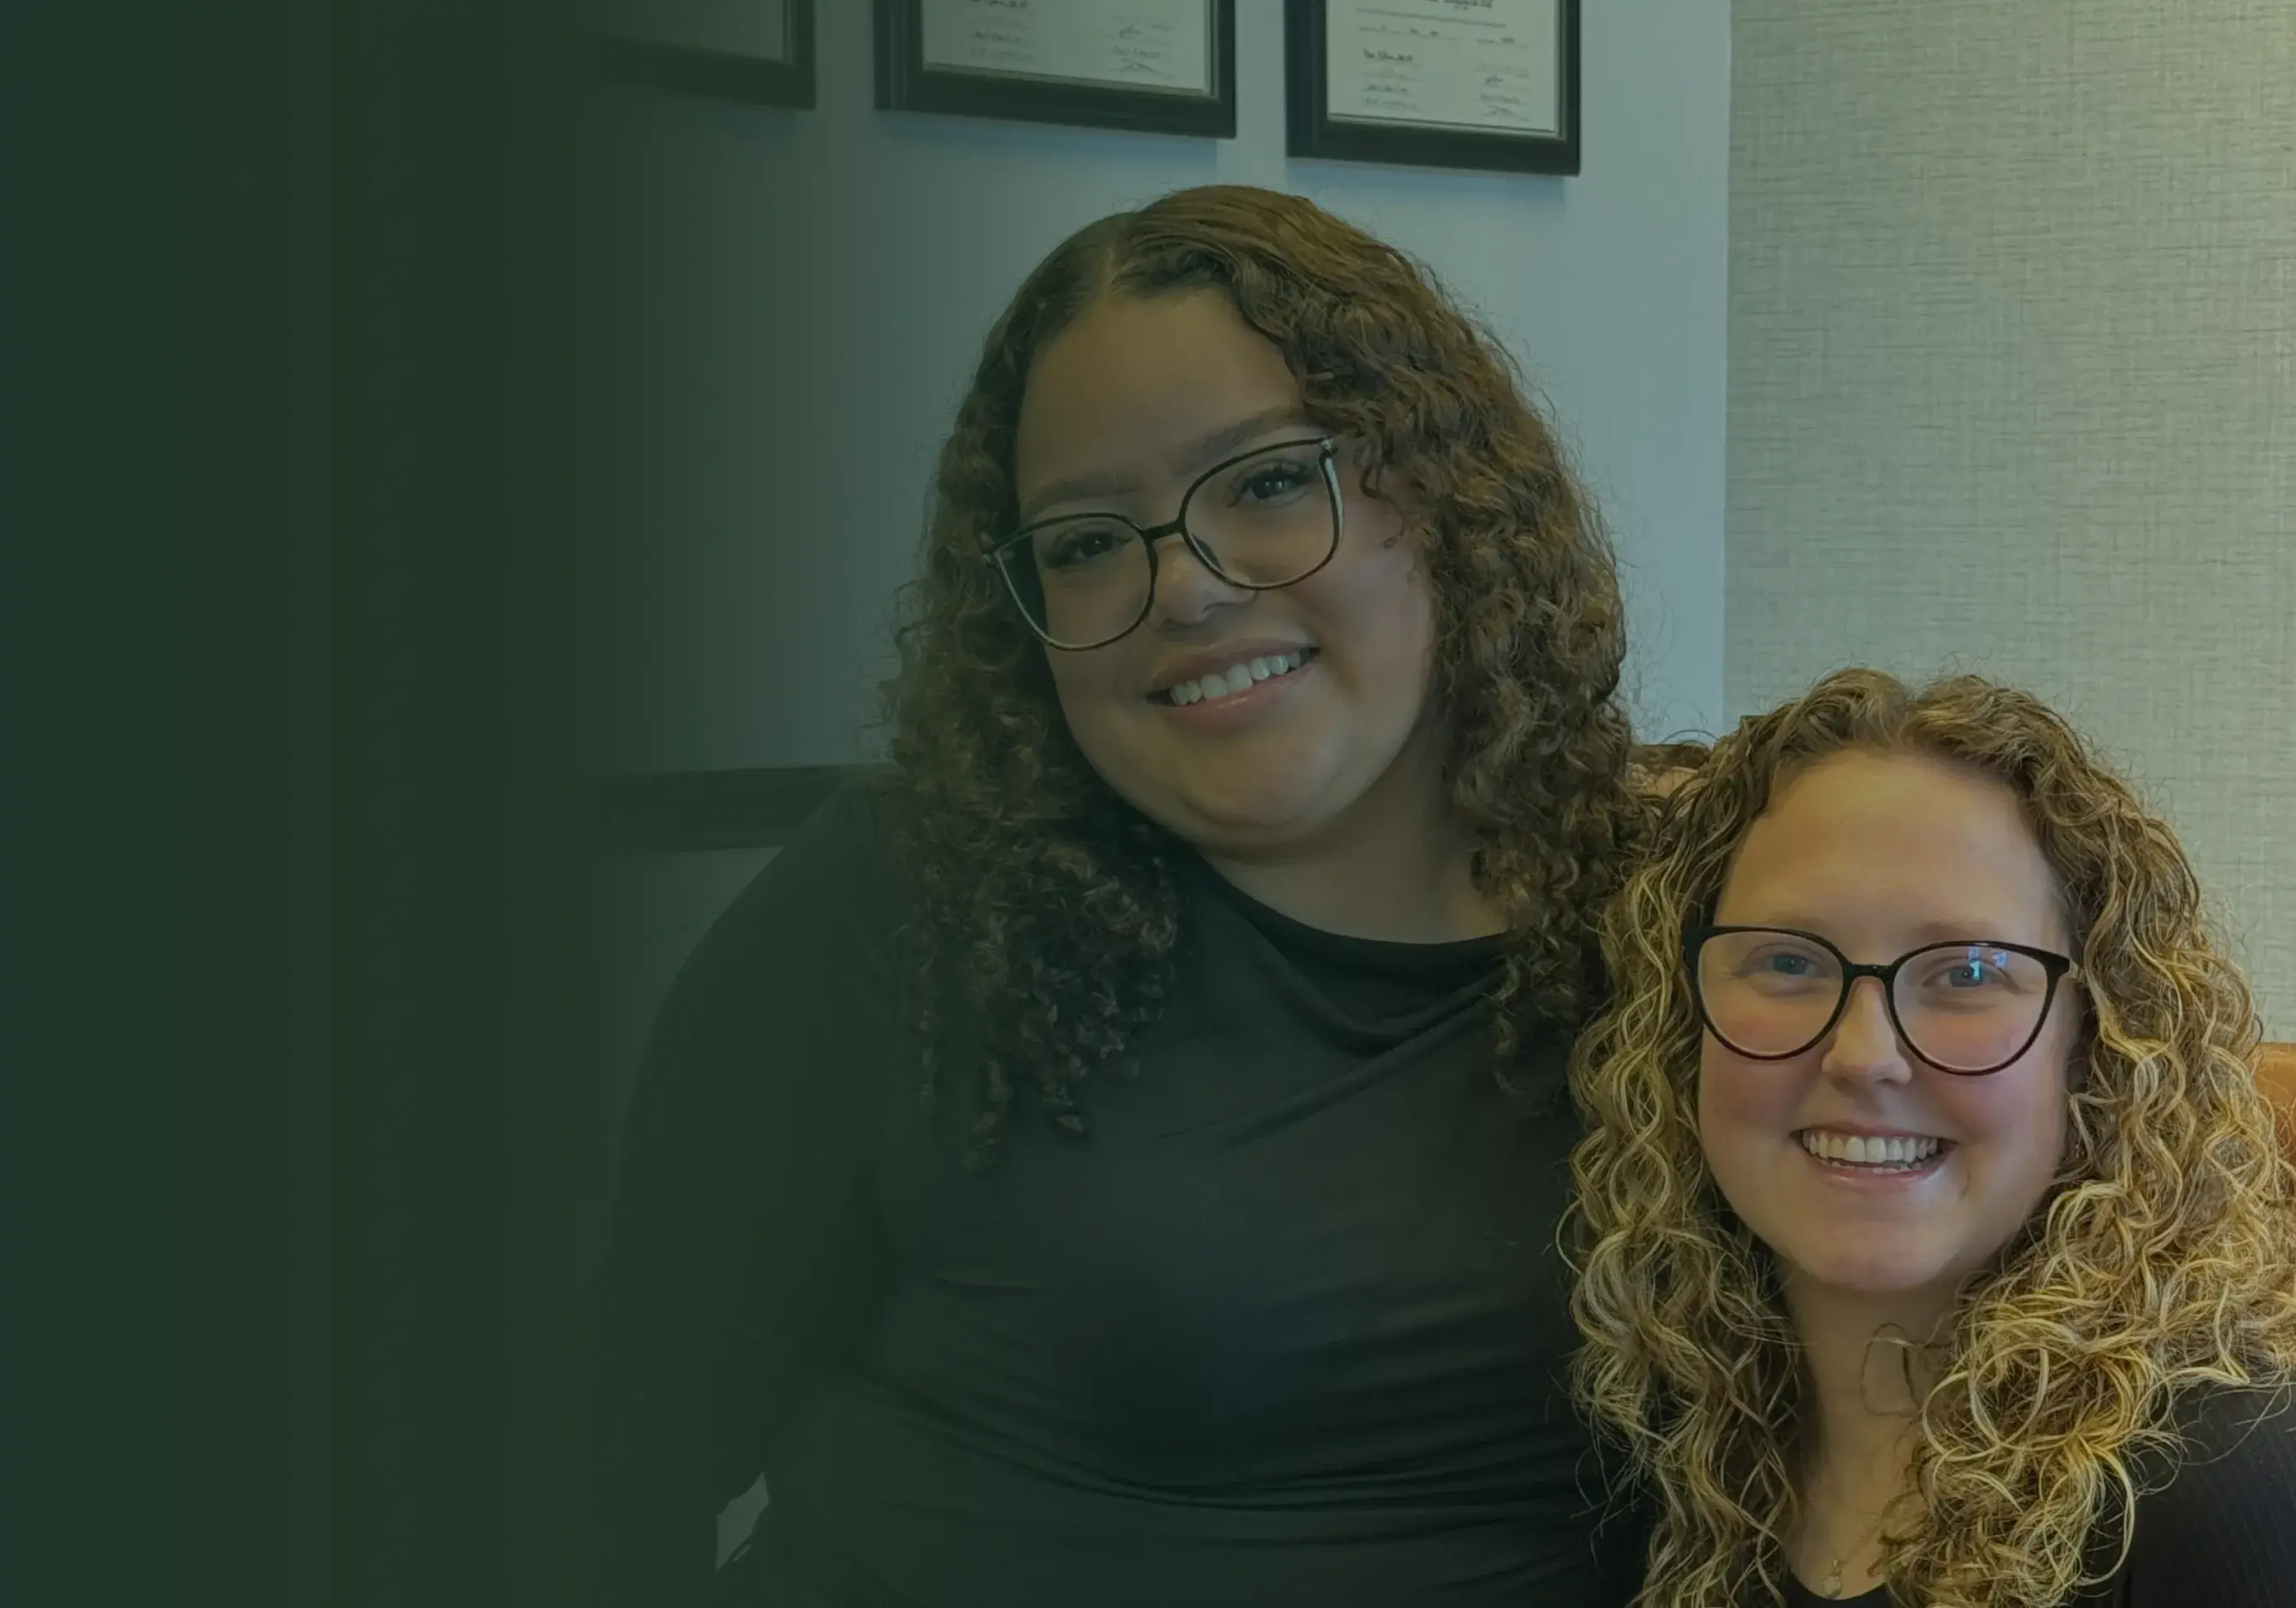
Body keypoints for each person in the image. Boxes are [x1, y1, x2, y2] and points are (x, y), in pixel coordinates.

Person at [588, 184, 1678, 1606]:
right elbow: (606, 1478)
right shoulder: (906, 906)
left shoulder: (1687, 931)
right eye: (1088, 540)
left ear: (1447, 492)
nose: (1188, 587)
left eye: (1271, 481)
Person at [1565, 668, 2296, 1606]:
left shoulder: (2242, 1486)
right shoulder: (1655, 1450)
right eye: (1784, 959)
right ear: (1678, 1022)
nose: (1864, 1054)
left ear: (2096, 1045)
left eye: (1967, 971)